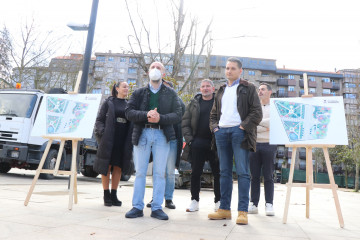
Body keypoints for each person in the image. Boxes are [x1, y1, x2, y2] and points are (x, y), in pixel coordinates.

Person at [207, 57, 262, 225]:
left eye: (232, 68)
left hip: (240, 133)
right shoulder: (221, 90)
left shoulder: (249, 88)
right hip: (221, 133)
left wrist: (243, 127)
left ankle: (243, 211)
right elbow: (213, 114)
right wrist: (215, 128)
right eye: (227, 68)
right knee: (224, 172)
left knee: (243, 172)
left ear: (240, 71)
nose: (228, 71)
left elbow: (256, 112)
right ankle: (224, 209)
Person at [125, 62, 182, 220]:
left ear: (163, 74)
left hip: (161, 135)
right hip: (142, 133)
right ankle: (137, 206)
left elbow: (178, 114)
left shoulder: (171, 93)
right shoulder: (138, 93)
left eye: (159, 68)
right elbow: (129, 112)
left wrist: (160, 118)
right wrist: (146, 115)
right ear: (148, 72)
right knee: (140, 172)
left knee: (159, 173)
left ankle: (157, 207)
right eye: (153, 67)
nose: (155, 70)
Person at [181, 79, 221, 212]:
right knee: (195, 173)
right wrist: (190, 140)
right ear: (200, 88)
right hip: (197, 142)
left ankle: (218, 202)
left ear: (213, 88)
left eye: (208, 86)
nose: (205, 88)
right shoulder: (193, 103)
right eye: (203, 86)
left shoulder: (219, 103)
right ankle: (194, 201)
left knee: (218, 173)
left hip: (215, 143)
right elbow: (185, 123)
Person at [146, 80, 185, 209]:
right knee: (157, 170)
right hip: (157, 138)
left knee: (169, 171)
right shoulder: (155, 101)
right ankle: (155, 197)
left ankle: (168, 198)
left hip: (172, 139)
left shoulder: (179, 103)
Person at [93, 81, 133, 207]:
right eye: (124, 86)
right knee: (107, 165)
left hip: (123, 138)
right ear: (117, 88)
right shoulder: (108, 102)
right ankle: (106, 194)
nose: (127, 88)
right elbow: (99, 120)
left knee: (118, 166)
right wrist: (103, 132)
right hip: (109, 138)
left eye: (128, 87)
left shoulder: (129, 105)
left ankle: (114, 194)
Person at [248, 83, 277, 216]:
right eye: (258, 90)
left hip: (270, 144)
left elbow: (276, 123)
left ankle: (269, 204)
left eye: (263, 89)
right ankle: (253, 203)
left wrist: (258, 123)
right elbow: (250, 124)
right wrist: (266, 125)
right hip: (254, 143)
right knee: (254, 176)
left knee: (268, 176)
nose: (260, 91)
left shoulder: (276, 108)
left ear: (270, 92)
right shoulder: (253, 107)